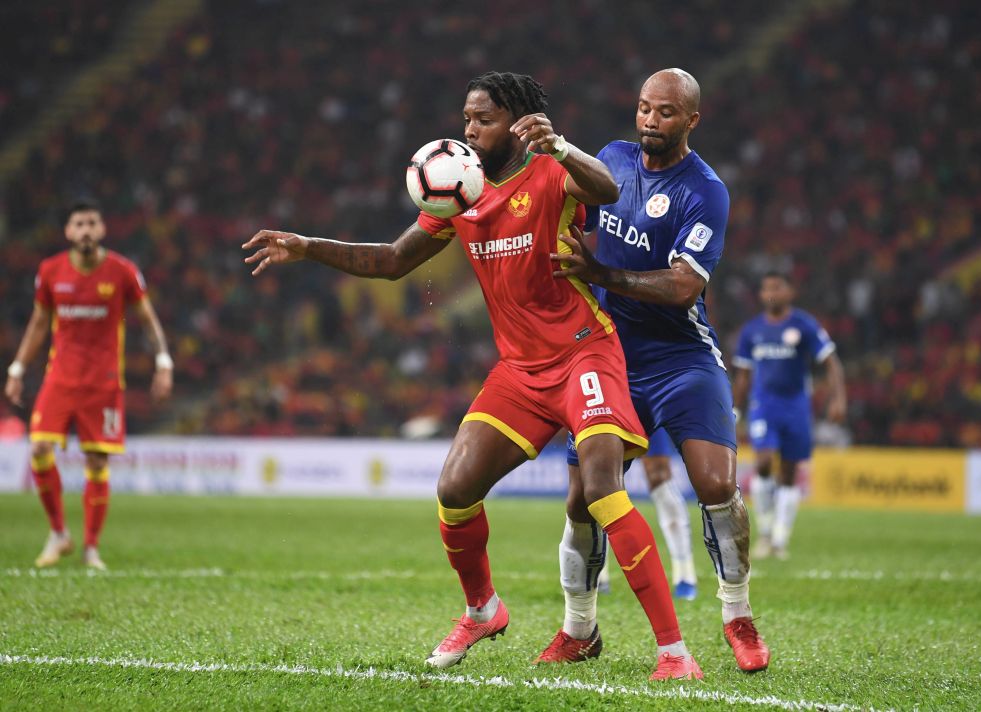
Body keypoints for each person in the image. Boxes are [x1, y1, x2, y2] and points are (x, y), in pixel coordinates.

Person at [243, 71, 703, 681]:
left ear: (514, 121)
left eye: (480, 119)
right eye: (466, 119)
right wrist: (307, 245)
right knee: (455, 489)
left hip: (584, 353)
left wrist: (560, 145)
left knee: (600, 488)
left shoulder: (551, 171)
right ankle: (483, 608)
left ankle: (673, 652)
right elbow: (391, 261)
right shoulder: (459, 190)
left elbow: (611, 189)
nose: (468, 130)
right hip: (520, 371)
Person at [535, 68, 770, 673]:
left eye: (665, 112)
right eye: (643, 108)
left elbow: (683, 286)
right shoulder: (612, 159)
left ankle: (737, 616)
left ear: (691, 119)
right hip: (607, 356)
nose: (649, 120)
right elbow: (558, 206)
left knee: (717, 485)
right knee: (584, 498)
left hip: (682, 358)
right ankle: (579, 629)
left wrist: (604, 277)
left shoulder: (706, 191)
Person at [4, 200, 174, 570]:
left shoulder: (122, 271)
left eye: (91, 223)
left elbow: (148, 319)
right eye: (78, 223)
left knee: (96, 460)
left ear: (101, 230)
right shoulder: (50, 271)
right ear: (68, 231)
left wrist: (163, 362)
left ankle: (91, 548)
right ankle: (59, 534)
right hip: (60, 377)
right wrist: (17, 368)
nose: (85, 230)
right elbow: (37, 323)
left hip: (104, 381)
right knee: (38, 450)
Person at [732, 271, 846, 559]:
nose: (771, 293)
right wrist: (733, 411)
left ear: (789, 292)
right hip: (764, 405)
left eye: (777, 287)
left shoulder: (804, 325)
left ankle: (781, 538)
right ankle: (766, 532)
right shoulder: (752, 330)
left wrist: (838, 398)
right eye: (766, 288)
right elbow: (743, 376)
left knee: (790, 473)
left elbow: (831, 362)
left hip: (796, 405)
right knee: (764, 462)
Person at [594, 428, 698, 601]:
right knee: (599, 477)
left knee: (659, 475)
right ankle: (598, 574)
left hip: (643, 401)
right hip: (606, 403)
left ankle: (685, 574)